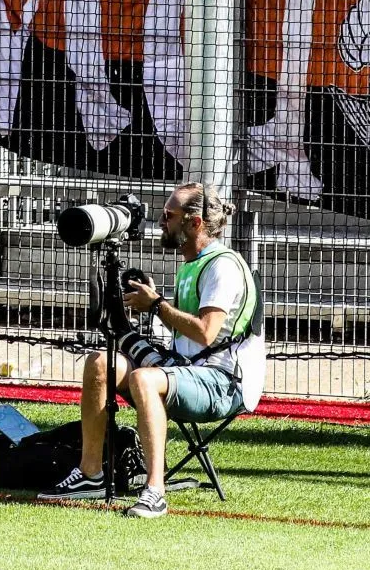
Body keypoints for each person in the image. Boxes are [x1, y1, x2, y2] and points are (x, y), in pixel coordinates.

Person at [38, 184, 265, 519]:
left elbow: (205, 333)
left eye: (169, 215)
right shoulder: (193, 264)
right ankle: (90, 474)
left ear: (194, 223)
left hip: (223, 382)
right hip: (185, 369)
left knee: (145, 379)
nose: (161, 221)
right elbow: (187, 332)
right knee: (100, 363)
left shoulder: (222, 266)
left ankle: (154, 491)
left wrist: (157, 305)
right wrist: (138, 308)